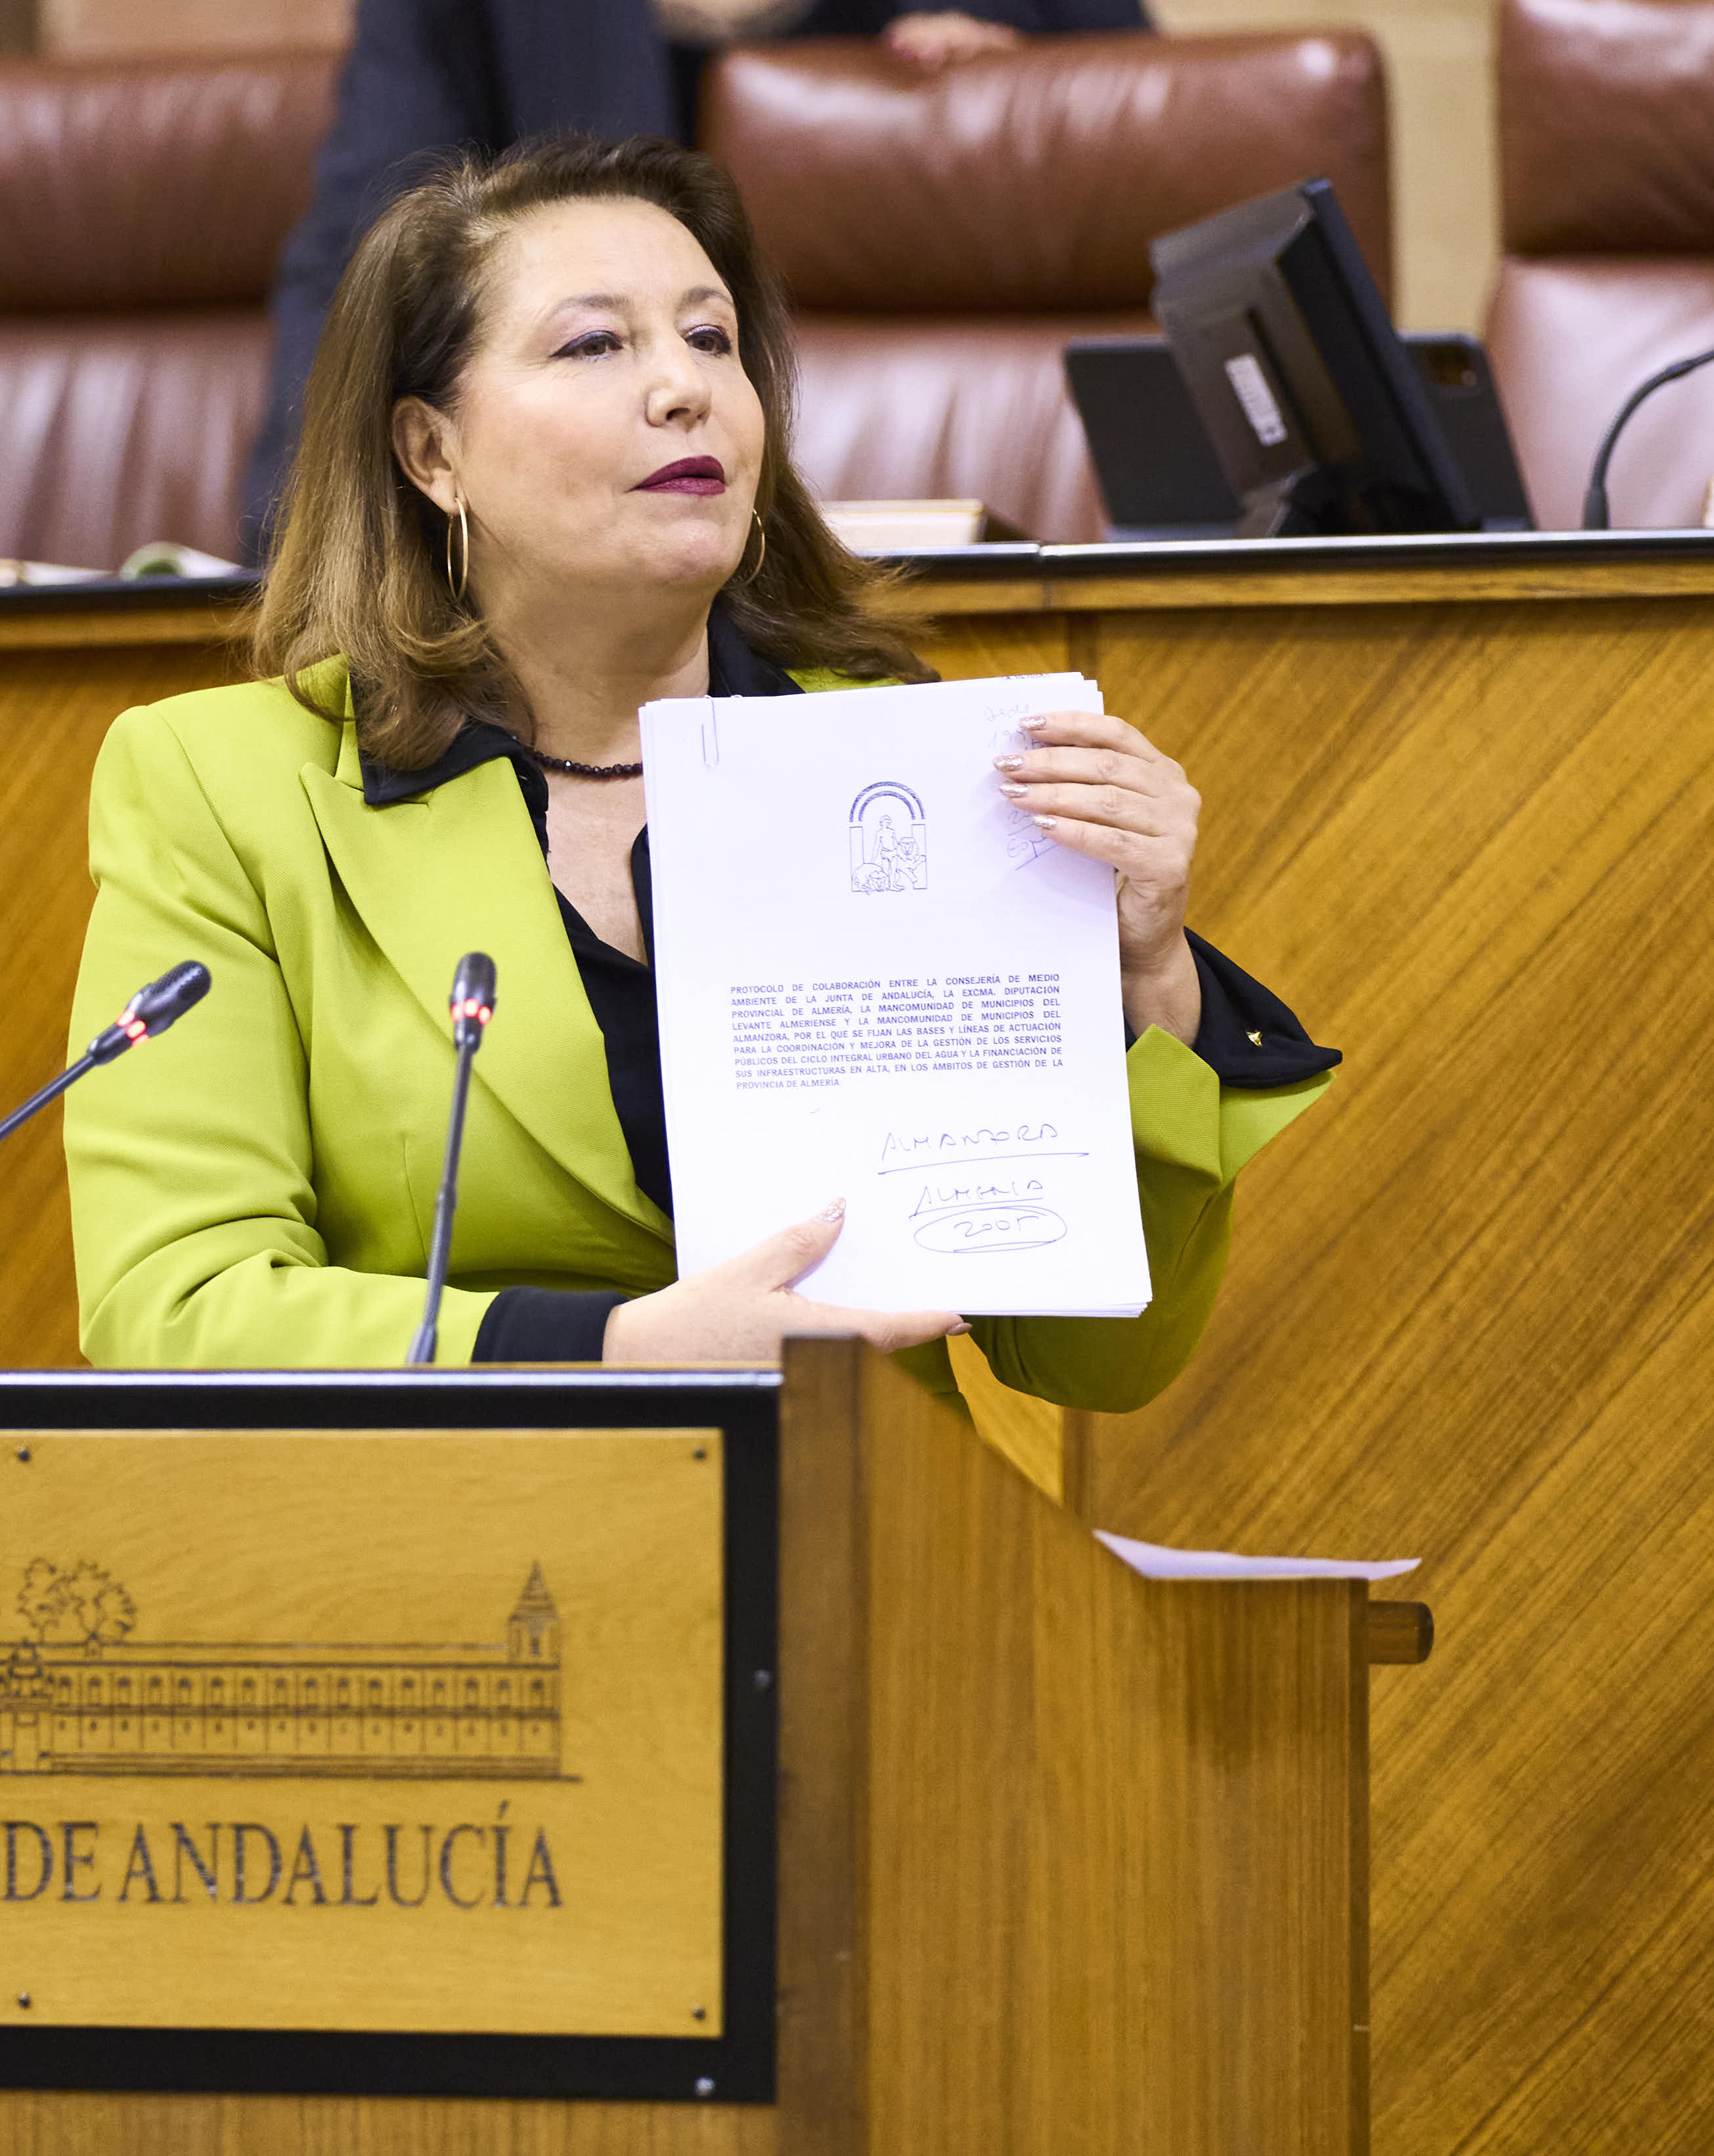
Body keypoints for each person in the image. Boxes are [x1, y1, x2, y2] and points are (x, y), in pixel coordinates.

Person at [66, 135, 1335, 1390]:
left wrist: (1145, 974)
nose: (683, 389)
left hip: (850, 1540)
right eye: (594, 343)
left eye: (710, 339)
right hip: (461, 1545)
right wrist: (610, 1352)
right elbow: (175, 1306)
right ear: (429, 454)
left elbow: (1086, 1355)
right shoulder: (225, 785)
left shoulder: (893, 760)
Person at [240, 0, 1150, 557]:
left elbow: (1174, 126)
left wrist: (1036, 74)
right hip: (567, 592)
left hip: (915, 586)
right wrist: (313, 557)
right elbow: (367, 266)